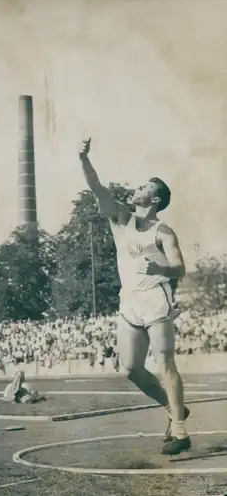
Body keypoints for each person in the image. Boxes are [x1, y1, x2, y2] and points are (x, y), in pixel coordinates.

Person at [79, 138, 190, 456]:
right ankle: (174, 409)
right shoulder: (122, 219)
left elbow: (179, 266)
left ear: (154, 199)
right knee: (130, 369)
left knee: (165, 363)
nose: (136, 188)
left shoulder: (163, 232)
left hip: (156, 299)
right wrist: (83, 158)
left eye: (143, 186)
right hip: (129, 302)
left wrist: (162, 267)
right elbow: (97, 188)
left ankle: (180, 432)